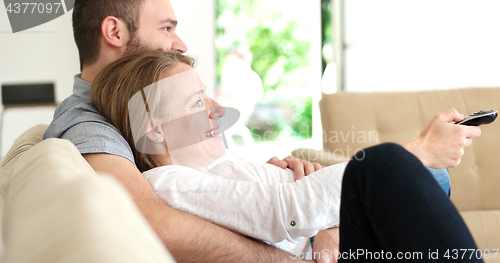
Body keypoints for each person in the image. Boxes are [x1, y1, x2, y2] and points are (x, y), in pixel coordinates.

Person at [43, 0, 478, 262]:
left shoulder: (152, 114)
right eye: (168, 27)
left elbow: (232, 193)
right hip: (297, 238)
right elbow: (156, 225)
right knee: (390, 168)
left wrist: (318, 218)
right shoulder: (88, 126)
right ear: (114, 31)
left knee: (421, 180)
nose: (180, 42)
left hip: (306, 231)